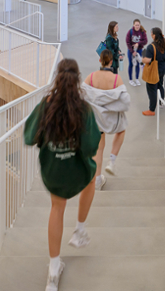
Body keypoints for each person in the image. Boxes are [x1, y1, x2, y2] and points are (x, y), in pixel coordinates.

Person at [23, 59, 101, 291]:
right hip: (76, 173)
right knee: (92, 175)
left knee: (57, 208)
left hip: (53, 173)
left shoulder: (46, 105)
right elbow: (90, 148)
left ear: (57, 77)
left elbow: (29, 137)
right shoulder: (84, 109)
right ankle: (80, 229)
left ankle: (54, 271)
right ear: (78, 79)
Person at [82, 50, 131, 191]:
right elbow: (125, 101)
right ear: (111, 62)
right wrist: (111, 104)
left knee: (99, 148)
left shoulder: (90, 78)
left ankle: (97, 180)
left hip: (96, 121)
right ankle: (112, 161)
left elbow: (81, 95)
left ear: (100, 61)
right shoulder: (116, 79)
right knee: (122, 130)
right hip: (111, 121)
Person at [142, 27, 165, 116]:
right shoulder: (164, 44)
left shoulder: (151, 47)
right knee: (160, 85)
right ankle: (161, 102)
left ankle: (152, 110)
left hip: (154, 71)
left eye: (151, 34)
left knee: (151, 89)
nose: (151, 35)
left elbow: (148, 60)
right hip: (162, 69)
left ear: (154, 35)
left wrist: (142, 59)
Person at [125, 19, 148, 86]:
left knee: (138, 64)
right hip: (131, 51)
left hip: (139, 50)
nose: (137, 26)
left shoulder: (142, 32)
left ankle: (137, 79)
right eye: (136, 25)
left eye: (138, 25)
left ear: (140, 25)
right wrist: (132, 51)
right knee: (131, 64)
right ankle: (131, 80)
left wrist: (138, 43)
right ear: (133, 25)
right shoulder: (130, 32)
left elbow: (145, 41)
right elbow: (128, 42)